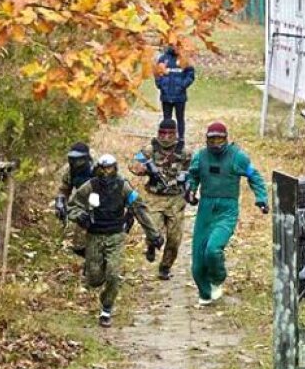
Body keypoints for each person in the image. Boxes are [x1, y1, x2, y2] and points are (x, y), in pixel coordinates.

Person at [64, 154, 163, 327]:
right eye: (103, 169)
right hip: (94, 236)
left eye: (109, 168)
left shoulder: (123, 187)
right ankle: (91, 269)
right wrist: (80, 216)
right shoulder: (90, 186)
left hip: (115, 236)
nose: (106, 172)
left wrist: (153, 234)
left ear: (115, 168)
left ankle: (106, 308)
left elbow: (139, 209)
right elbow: (72, 205)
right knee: (94, 279)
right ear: (98, 169)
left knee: (113, 274)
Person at [183, 121, 267, 306]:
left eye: (220, 139)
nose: (216, 144)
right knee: (197, 263)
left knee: (213, 249)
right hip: (205, 208)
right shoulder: (201, 156)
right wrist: (190, 190)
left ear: (226, 138)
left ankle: (217, 278)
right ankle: (205, 294)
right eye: (212, 140)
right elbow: (193, 175)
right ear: (206, 140)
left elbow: (255, 177)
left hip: (227, 209)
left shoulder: (237, 156)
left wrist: (261, 198)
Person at [130, 120, 190, 280]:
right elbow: (133, 163)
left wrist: (187, 178)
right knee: (153, 231)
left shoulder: (184, 152)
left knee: (174, 238)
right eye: (162, 133)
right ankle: (151, 246)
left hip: (175, 199)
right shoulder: (150, 149)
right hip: (154, 197)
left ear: (176, 134)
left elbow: (194, 170)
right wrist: (145, 170)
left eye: (170, 134)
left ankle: (165, 267)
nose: (166, 137)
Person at [56, 142, 95, 257]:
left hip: (102, 202)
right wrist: (60, 202)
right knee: (79, 246)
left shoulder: (98, 168)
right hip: (83, 202)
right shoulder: (70, 171)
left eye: (79, 160)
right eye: (73, 159)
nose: (76, 163)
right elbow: (64, 189)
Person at [155, 45, 195, 144]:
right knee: (166, 119)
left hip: (179, 96)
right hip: (166, 96)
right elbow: (157, 73)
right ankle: (165, 138)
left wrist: (182, 85)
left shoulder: (184, 59)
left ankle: (181, 138)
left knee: (180, 118)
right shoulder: (163, 58)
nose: (176, 47)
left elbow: (190, 75)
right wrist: (161, 85)